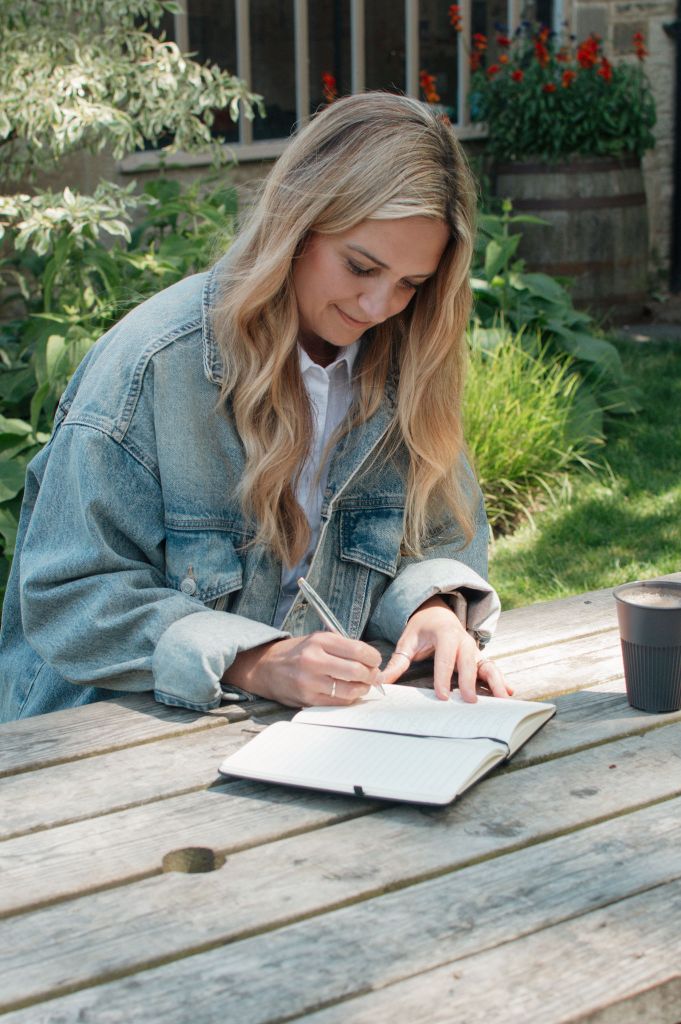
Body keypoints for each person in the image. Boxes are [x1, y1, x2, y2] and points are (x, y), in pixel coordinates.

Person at [0, 92, 512, 723]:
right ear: (296, 224)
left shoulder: (406, 364)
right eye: (360, 266)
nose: (379, 306)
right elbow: (68, 594)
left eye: (410, 284)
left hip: (310, 736)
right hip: (111, 737)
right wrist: (256, 660)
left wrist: (430, 610)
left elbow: (441, 536)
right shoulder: (152, 365)